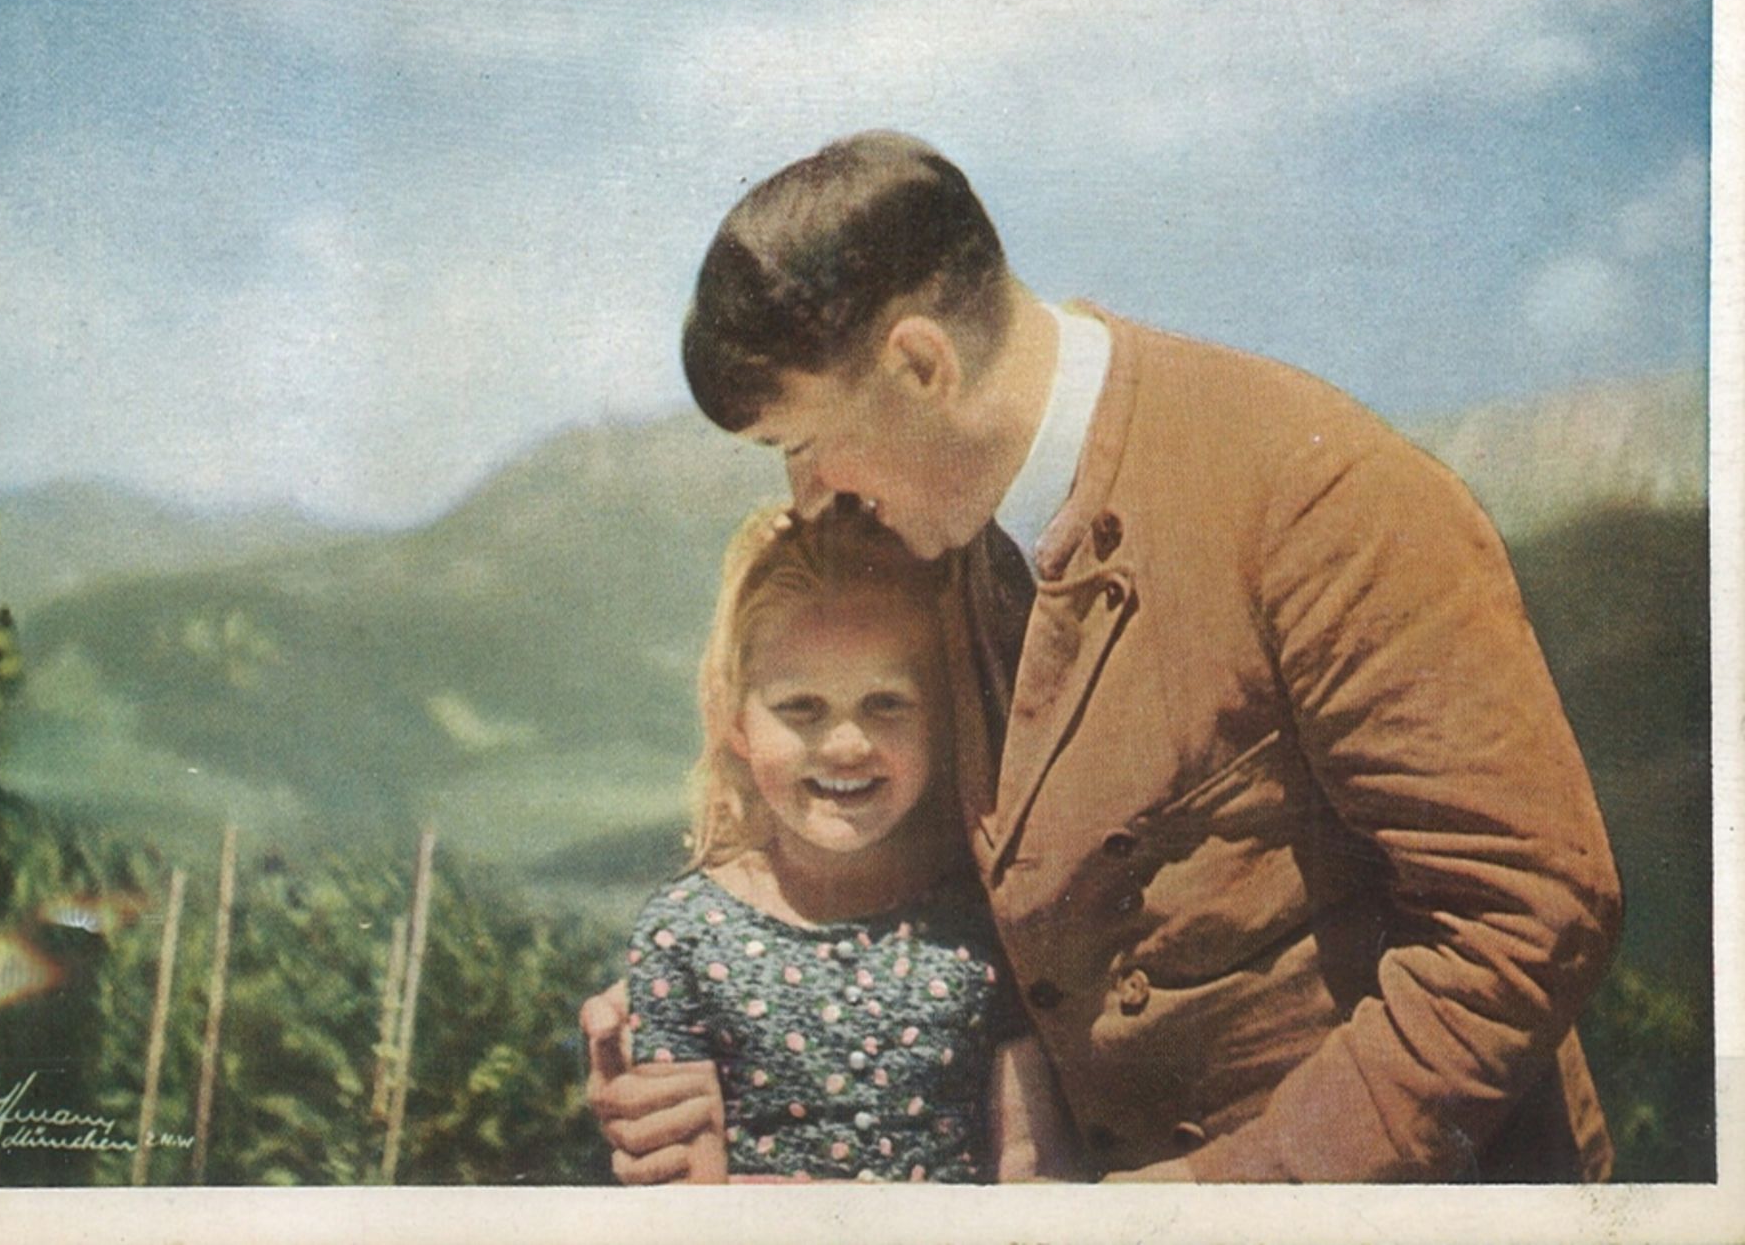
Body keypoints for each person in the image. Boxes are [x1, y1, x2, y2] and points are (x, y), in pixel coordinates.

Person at [585, 130, 1623, 1183]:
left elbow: (1528, 909)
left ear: (920, 365)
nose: (810, 499)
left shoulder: (1314, 491)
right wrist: (712, 1047)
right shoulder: (940, 536)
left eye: (803, 444)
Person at [619, 500, 1075, 1183]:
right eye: (801, 708)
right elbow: (686, 1195)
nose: (846, 745)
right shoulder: (682, 936)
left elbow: (1034, 1168)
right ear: (736, 723)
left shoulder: (984, 922)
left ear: (937, 723)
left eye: (885, 703)